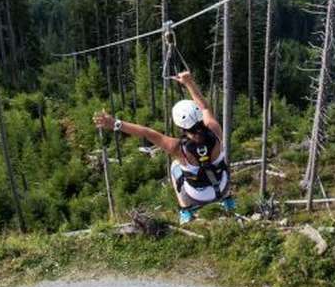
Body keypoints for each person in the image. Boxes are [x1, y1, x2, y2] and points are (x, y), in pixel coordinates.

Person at [93, 70, 235, 223]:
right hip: (222, 186)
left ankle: (186, 211)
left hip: (198, 196)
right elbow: (205, 107)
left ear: (180, 126)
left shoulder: (178, 148)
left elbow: (146, 133)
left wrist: (115, 123)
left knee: (175, 166)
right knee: (220, 160)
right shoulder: (215, 129)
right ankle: (227, 200)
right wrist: (188, 82)